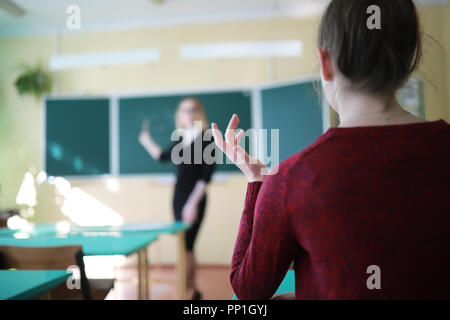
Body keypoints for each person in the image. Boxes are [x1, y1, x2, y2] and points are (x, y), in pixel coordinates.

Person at [211, 0, 450, 299]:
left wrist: (256, 181)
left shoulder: (292, 179)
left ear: (324, 62)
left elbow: (249, 290)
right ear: (409, 58)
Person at [139, 97, 215, 300]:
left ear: (199, 113)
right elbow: (162, 156)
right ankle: (191, 290)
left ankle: (188, 291)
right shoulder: (180, 138)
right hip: (178, 198)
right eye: (184, 111)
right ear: (179, 115)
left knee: (188, 246)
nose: (188, 115)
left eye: (192, 110)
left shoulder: (207, 138)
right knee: (185, 247)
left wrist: (192, 204)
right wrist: (146, 141)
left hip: (195, 199)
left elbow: (205, 177)